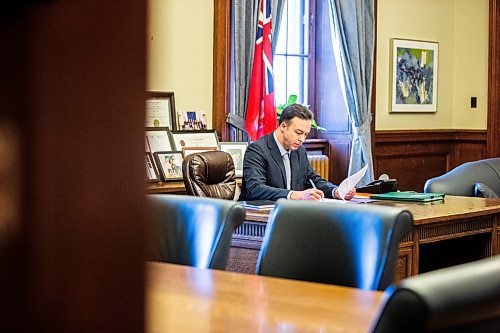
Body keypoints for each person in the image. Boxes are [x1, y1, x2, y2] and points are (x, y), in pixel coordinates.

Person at [239, 103, 356, 201]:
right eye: (298, 132)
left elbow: (313, 180)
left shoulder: (300, 151)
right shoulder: (257, 150)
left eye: (305, 134)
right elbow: (255, 189)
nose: (302, 139)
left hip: (292, 213)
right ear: (283, 126)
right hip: (259, 217)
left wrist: (336, 192)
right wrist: (294, 195)